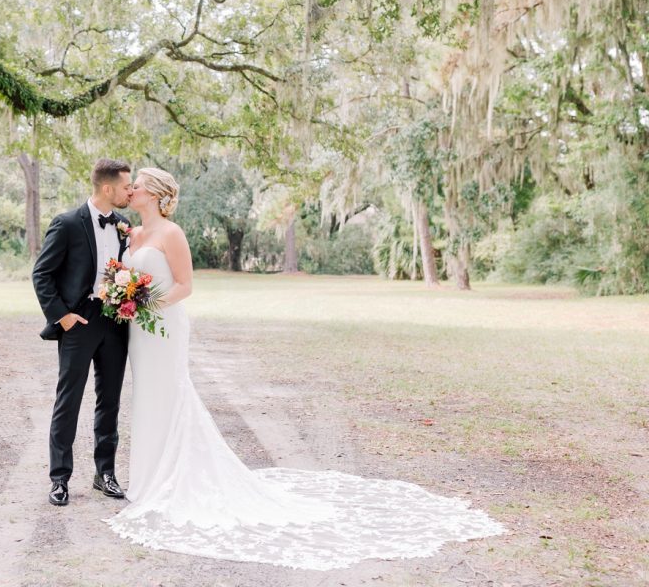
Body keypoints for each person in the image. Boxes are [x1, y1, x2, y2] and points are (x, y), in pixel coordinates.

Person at [106, 167, 506, 570]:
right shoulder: (135, 234)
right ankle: (148, 477)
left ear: (155, 195)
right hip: (140, 331)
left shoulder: (171, 234)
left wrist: (148, 304)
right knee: (146, 397)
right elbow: (125, 276)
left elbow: (184, 286)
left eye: (137, 184)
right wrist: (124, 295)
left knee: (170, 393)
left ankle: (174, 477)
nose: (131, 189)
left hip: (165, 325)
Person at [32, 159, 133, 507]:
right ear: (107, 189)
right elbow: (41, 274)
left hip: (116, 322)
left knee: (110, 401)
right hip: (79, 321)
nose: (129, 192)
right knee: (68, 400)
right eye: (125, 187)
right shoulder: (67, 224)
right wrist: (62, 317)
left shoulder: (123, 225)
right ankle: (60, 478)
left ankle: (105, 473)